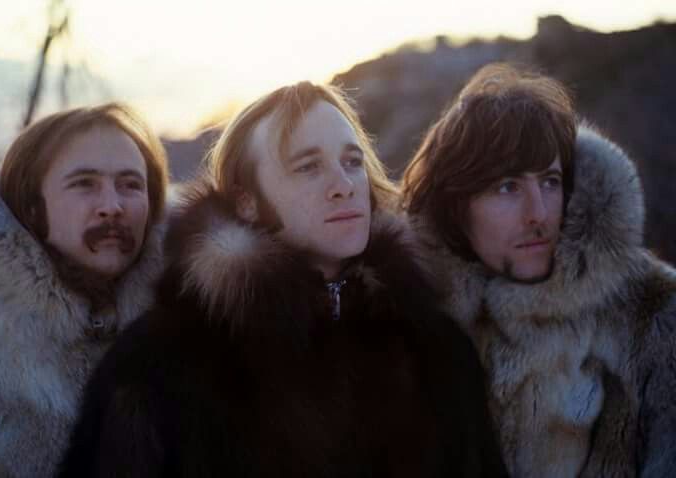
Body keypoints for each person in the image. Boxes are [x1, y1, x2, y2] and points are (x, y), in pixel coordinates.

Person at [58, 82, 507, 477]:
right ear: (247, 202)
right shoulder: (161, 361)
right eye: (308, 166)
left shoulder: (436, 348)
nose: (344, 184)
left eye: (352, 161)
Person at [402, 62, 676, 477]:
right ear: (456, 207)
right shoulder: (415, 325)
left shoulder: (652, 312)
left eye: (550, 182)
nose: (539, 214)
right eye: (507, 187)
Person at [0, 103, 169, 477]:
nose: (112, 206)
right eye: (84, 183)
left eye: (131, 185)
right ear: (32, 207)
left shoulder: (186, 340)